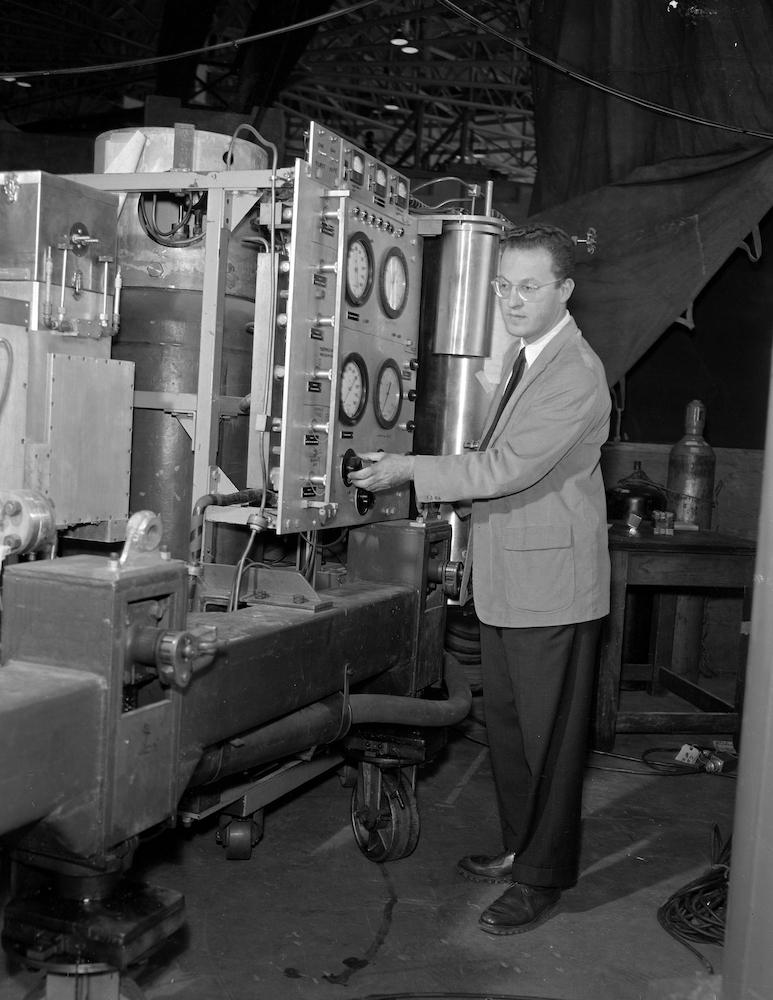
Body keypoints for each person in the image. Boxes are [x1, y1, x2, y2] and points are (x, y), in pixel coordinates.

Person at [349, 223, 611, 936]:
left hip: (552, 586)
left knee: (547, 744)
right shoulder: (528, 357)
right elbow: (494, 458)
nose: (512, 299)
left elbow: (505, 469)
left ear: (564, 289)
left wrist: (410, 468)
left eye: (529, 286)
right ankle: (519, 848)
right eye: (503, 285)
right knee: (509, 731)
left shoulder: (573, 372)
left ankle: (541, 878)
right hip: (510, 578)